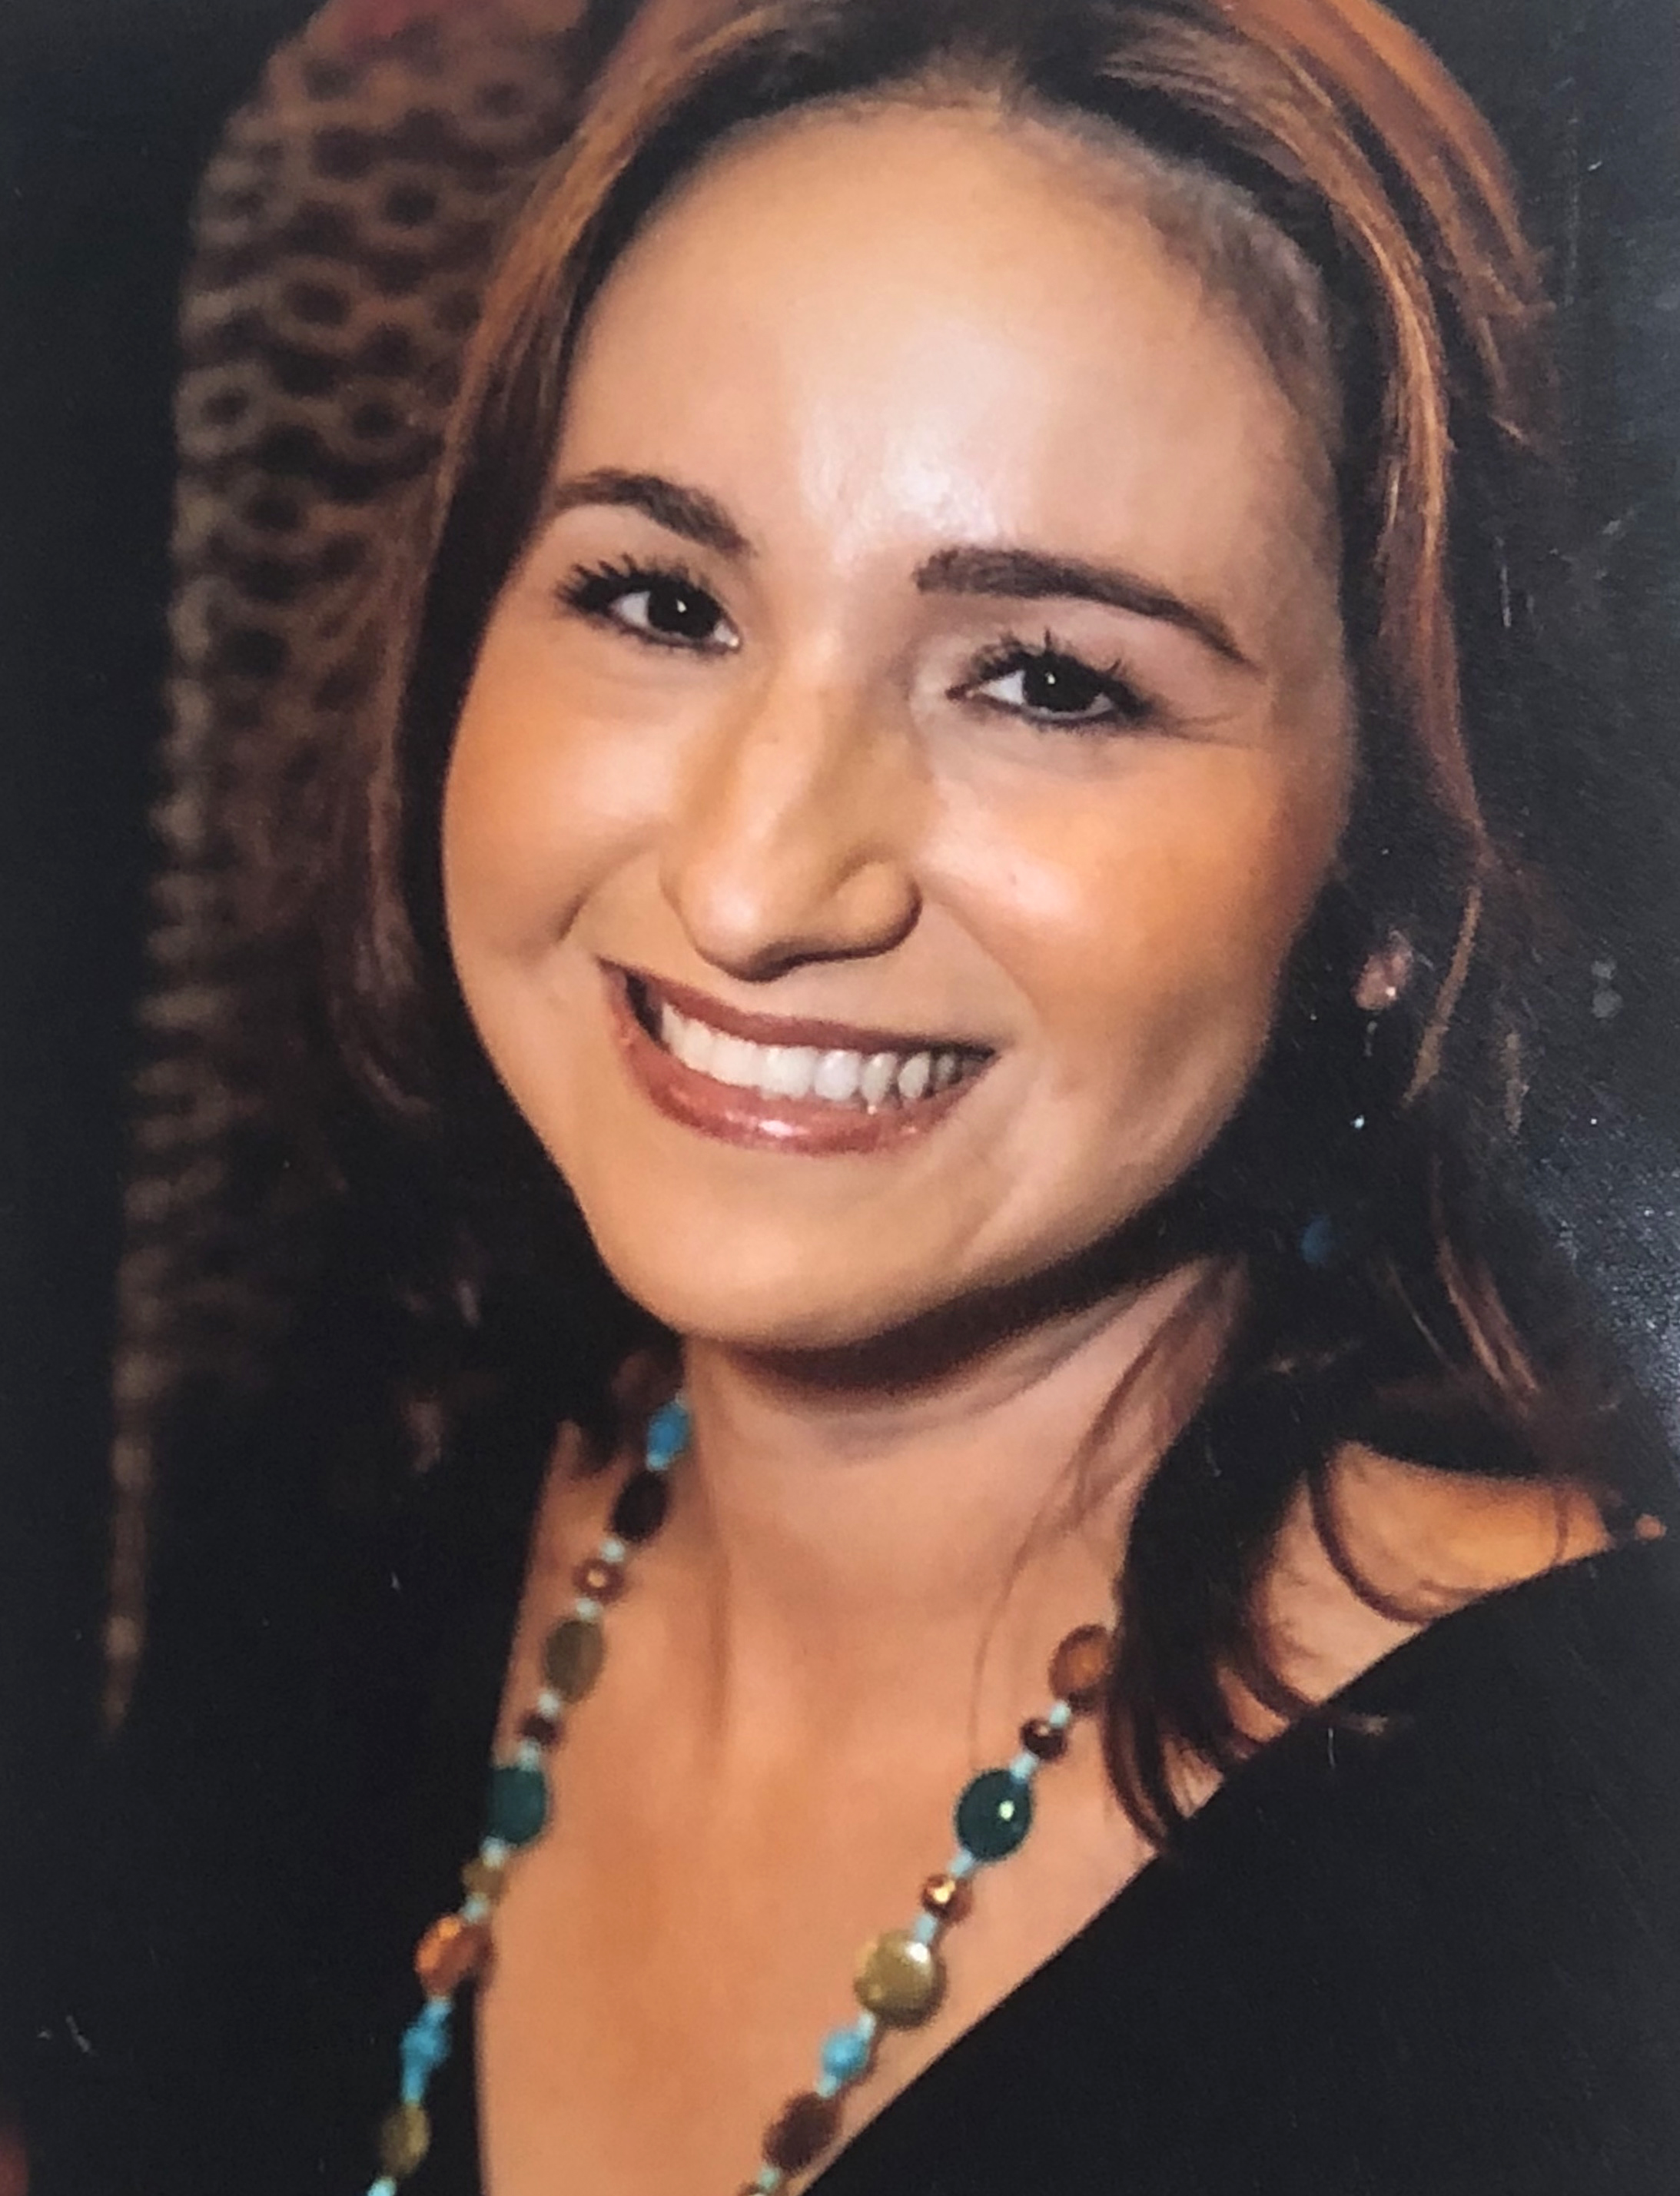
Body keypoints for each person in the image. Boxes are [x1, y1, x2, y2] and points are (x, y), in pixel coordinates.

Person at [29, 1, 1680, 2192]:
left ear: (1393, 870)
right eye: (658, 599)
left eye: (1049, 681)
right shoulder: (353, 1499)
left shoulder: (1593, 1850)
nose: (750, 882)